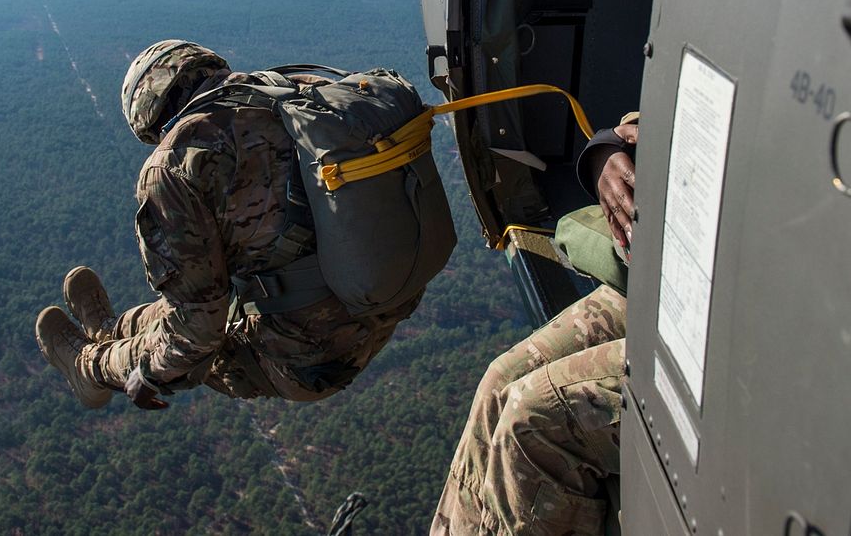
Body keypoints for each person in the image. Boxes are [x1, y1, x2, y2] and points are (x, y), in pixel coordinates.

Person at [35, 40, 422, 410]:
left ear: (151, 120)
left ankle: (90, 368)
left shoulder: (174, 165)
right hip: (381, 305)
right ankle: (110, 329)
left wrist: (150, 375)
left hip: (303, 359)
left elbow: (197, 330)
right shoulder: (304, 93)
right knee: (190, 308)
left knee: (183, 326)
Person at [431, 115, 639, 536]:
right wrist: (605, 154)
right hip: (653, 286)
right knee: (500, 381)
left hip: (729, 335)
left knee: (534, 421)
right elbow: (633, 126)